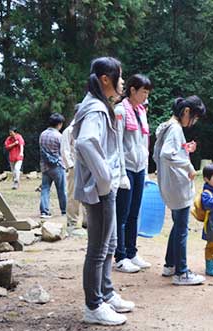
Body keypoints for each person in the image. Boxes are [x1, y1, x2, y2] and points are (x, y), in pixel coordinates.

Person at [73, 57, 134, 326]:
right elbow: (86, 142)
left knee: (108, 245)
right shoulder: (96, 109)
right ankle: (93, 305)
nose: (123, 83)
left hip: (102, 188)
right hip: (99, 191)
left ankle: (106, 294)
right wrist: (105, 178)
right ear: (105, 80)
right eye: (119, 78)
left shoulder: (99, 105)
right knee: (98, 249)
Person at [153, 95, 206, 286]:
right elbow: (167, 154)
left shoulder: (170, 126)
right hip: (177, 186)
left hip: (171, 184)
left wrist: (185, 149)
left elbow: (170, 152)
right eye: (195, 117)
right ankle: (181, 272)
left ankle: (170, 265)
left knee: (178, 226)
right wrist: (188, 166)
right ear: (186, 112)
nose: (194, 121)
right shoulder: (175, 128)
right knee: (182, 229)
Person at [114, 74, 153, 273]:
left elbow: (144, 142)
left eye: (147, 92)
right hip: (126, 169)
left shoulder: (141, 111)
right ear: (132, 90)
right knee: (122, 213)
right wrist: (120, 173)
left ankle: (132, 252)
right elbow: (118, 144)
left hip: (139, 169)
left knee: (134, 213)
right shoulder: (120, 110)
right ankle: (120, 256)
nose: (146, 95)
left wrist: (145, 171)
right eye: (143, 91)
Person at [61, 105, 87, 228]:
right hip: (74, 166)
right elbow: (65, 150)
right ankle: (72, 221)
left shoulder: (87, 128)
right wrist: (70, 166)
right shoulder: (68, 131)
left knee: (88, 194)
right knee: (73, 195)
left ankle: (87, 222)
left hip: (87, 166)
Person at [39, 113, 67, 218]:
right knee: (61, 190)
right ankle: (64, 211)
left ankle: (44, 211)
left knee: (45, 189)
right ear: (59, 124)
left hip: (45, 166)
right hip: (58, 166)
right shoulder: (59, 136)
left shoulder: (42, 134)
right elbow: (62, 151)